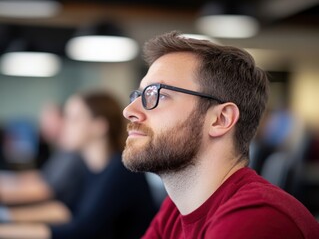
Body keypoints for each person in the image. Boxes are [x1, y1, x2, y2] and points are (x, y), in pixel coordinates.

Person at [122, 31, 319, 239]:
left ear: (221, 119)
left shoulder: (256, 218)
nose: (129, 110)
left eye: (157, 95)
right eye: (140, 95)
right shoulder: (176, 209)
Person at [0, 91, 156, 239]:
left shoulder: (121, 171)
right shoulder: (89, 168)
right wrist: (6, 216)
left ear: (99, 126)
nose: (65, 125)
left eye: (74, 119)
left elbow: (82, 232)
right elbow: (67, 210)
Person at [0, 104, 87, 207]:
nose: (43, 126)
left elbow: (46, 190)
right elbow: (43, 177)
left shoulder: (71, 155)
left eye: (48, 121)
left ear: (62, 121)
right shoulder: (61, 151)